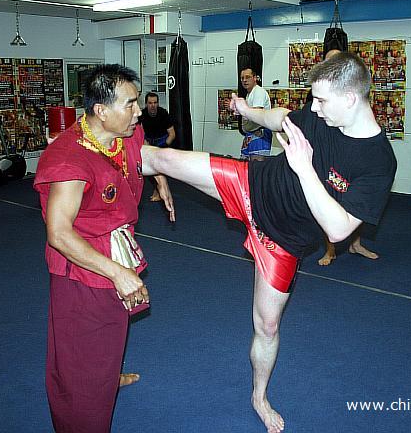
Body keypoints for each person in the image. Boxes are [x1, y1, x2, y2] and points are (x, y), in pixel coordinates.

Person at [142, 52, 396, 432]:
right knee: (160, 157)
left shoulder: (378, 161)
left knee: (268, 326)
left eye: (322, 100)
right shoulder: (320, 113)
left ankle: (259, 397)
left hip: (284, 241)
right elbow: (279, 117)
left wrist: (304, 167)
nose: (315, 108)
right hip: (250, 183)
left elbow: (339, 230)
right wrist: (247, 109)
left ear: (350, 98)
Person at [34, 64, 175, 432]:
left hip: (116, 246)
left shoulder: (122, 132)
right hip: (83, 267)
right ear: (101, 110)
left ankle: (107, 376)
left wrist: (158, 176)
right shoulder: (69, 159)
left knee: (113, 329)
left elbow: (139, 152)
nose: (138, 111)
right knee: (82, 352)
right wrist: (117, 272)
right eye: (129, 104)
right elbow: (59, 234)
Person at [312, 48, 380, 266]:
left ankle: (356, 243)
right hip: (328, 158)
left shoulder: (351, 94)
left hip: (350, 158)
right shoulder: (320, 96)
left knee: (355, 204)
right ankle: (330, 251)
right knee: (330, 204)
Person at [141, 91, 176, 201]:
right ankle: (158, 188)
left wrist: (163, 148)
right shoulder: (141, 115)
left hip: (162, 142)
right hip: (148, 142)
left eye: (155, 103)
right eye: (150, 103)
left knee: (160, 168)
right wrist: (148, 147)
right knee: (149, 167)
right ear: (146, 104)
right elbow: (140, 134)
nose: (153, 105)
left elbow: (172, 134)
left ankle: (159, 190)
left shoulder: (163, 113)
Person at [239, 67, 273, 160]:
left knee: (256, 166)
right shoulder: (249, 94)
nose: (244, 80)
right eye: (242, 78)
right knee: (246, 164)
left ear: (255, 78)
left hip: (259, 132)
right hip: (251, 133)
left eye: (247, 77)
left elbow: (256, 115)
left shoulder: (258, 92)